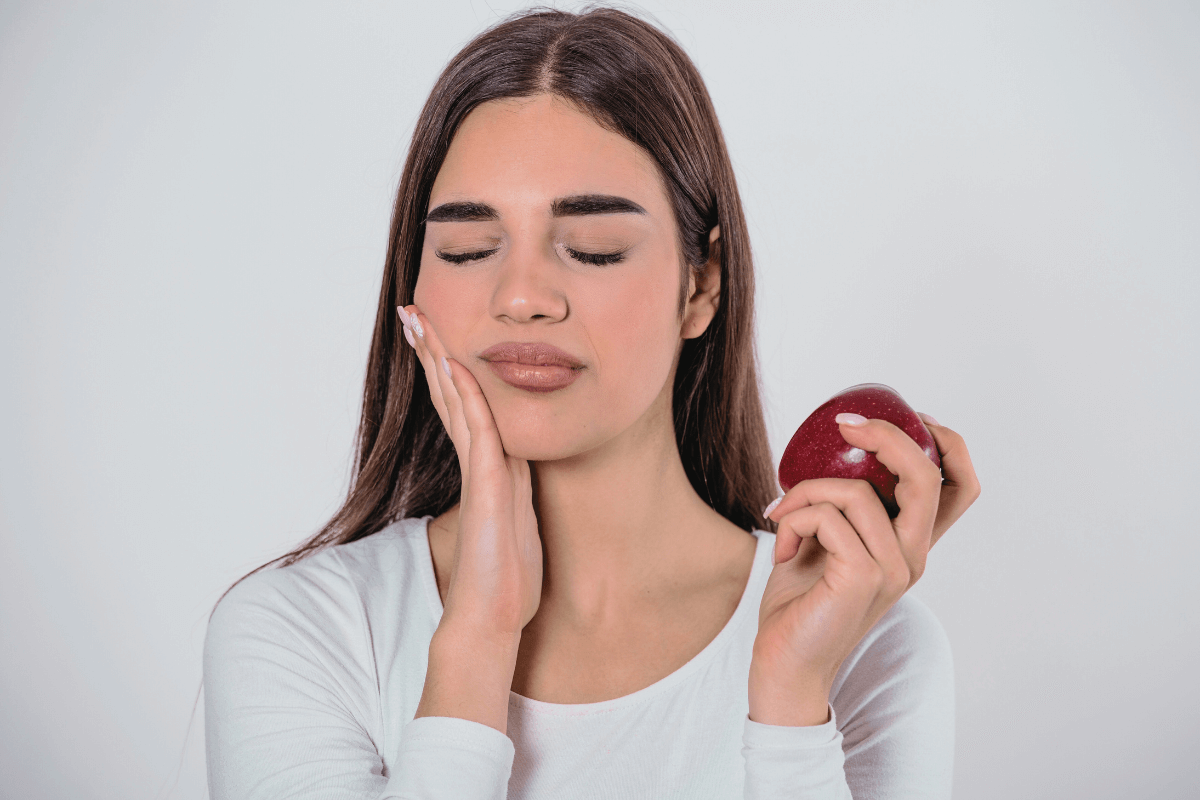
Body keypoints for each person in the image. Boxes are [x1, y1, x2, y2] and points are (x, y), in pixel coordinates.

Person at [202, 6, 980, 799]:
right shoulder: (302, 631)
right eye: (468, 249)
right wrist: (478, 636)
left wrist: (788, 704)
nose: (523, 296)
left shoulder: (868, 648)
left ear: (700, 284)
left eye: (593, 248)